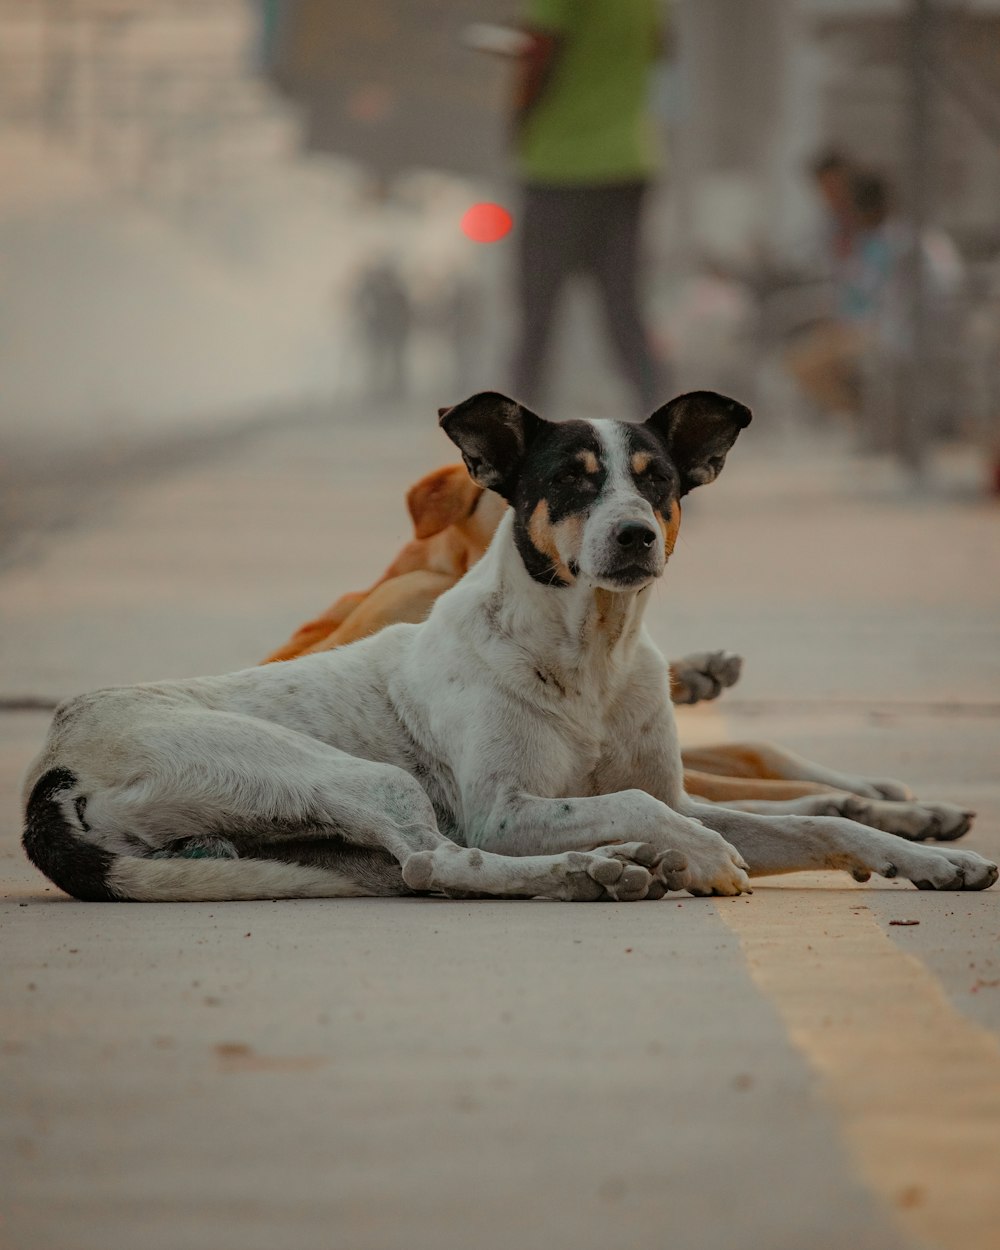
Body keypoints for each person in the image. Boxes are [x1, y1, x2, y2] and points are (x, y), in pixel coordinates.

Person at [510, 0, 667, 415]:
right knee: (623, 306)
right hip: (628, 160)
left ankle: (518, 424)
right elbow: (660, 47)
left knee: (538, 309)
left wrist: (519, 117)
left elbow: (538, 52)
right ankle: (663, 412)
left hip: (561, 165)